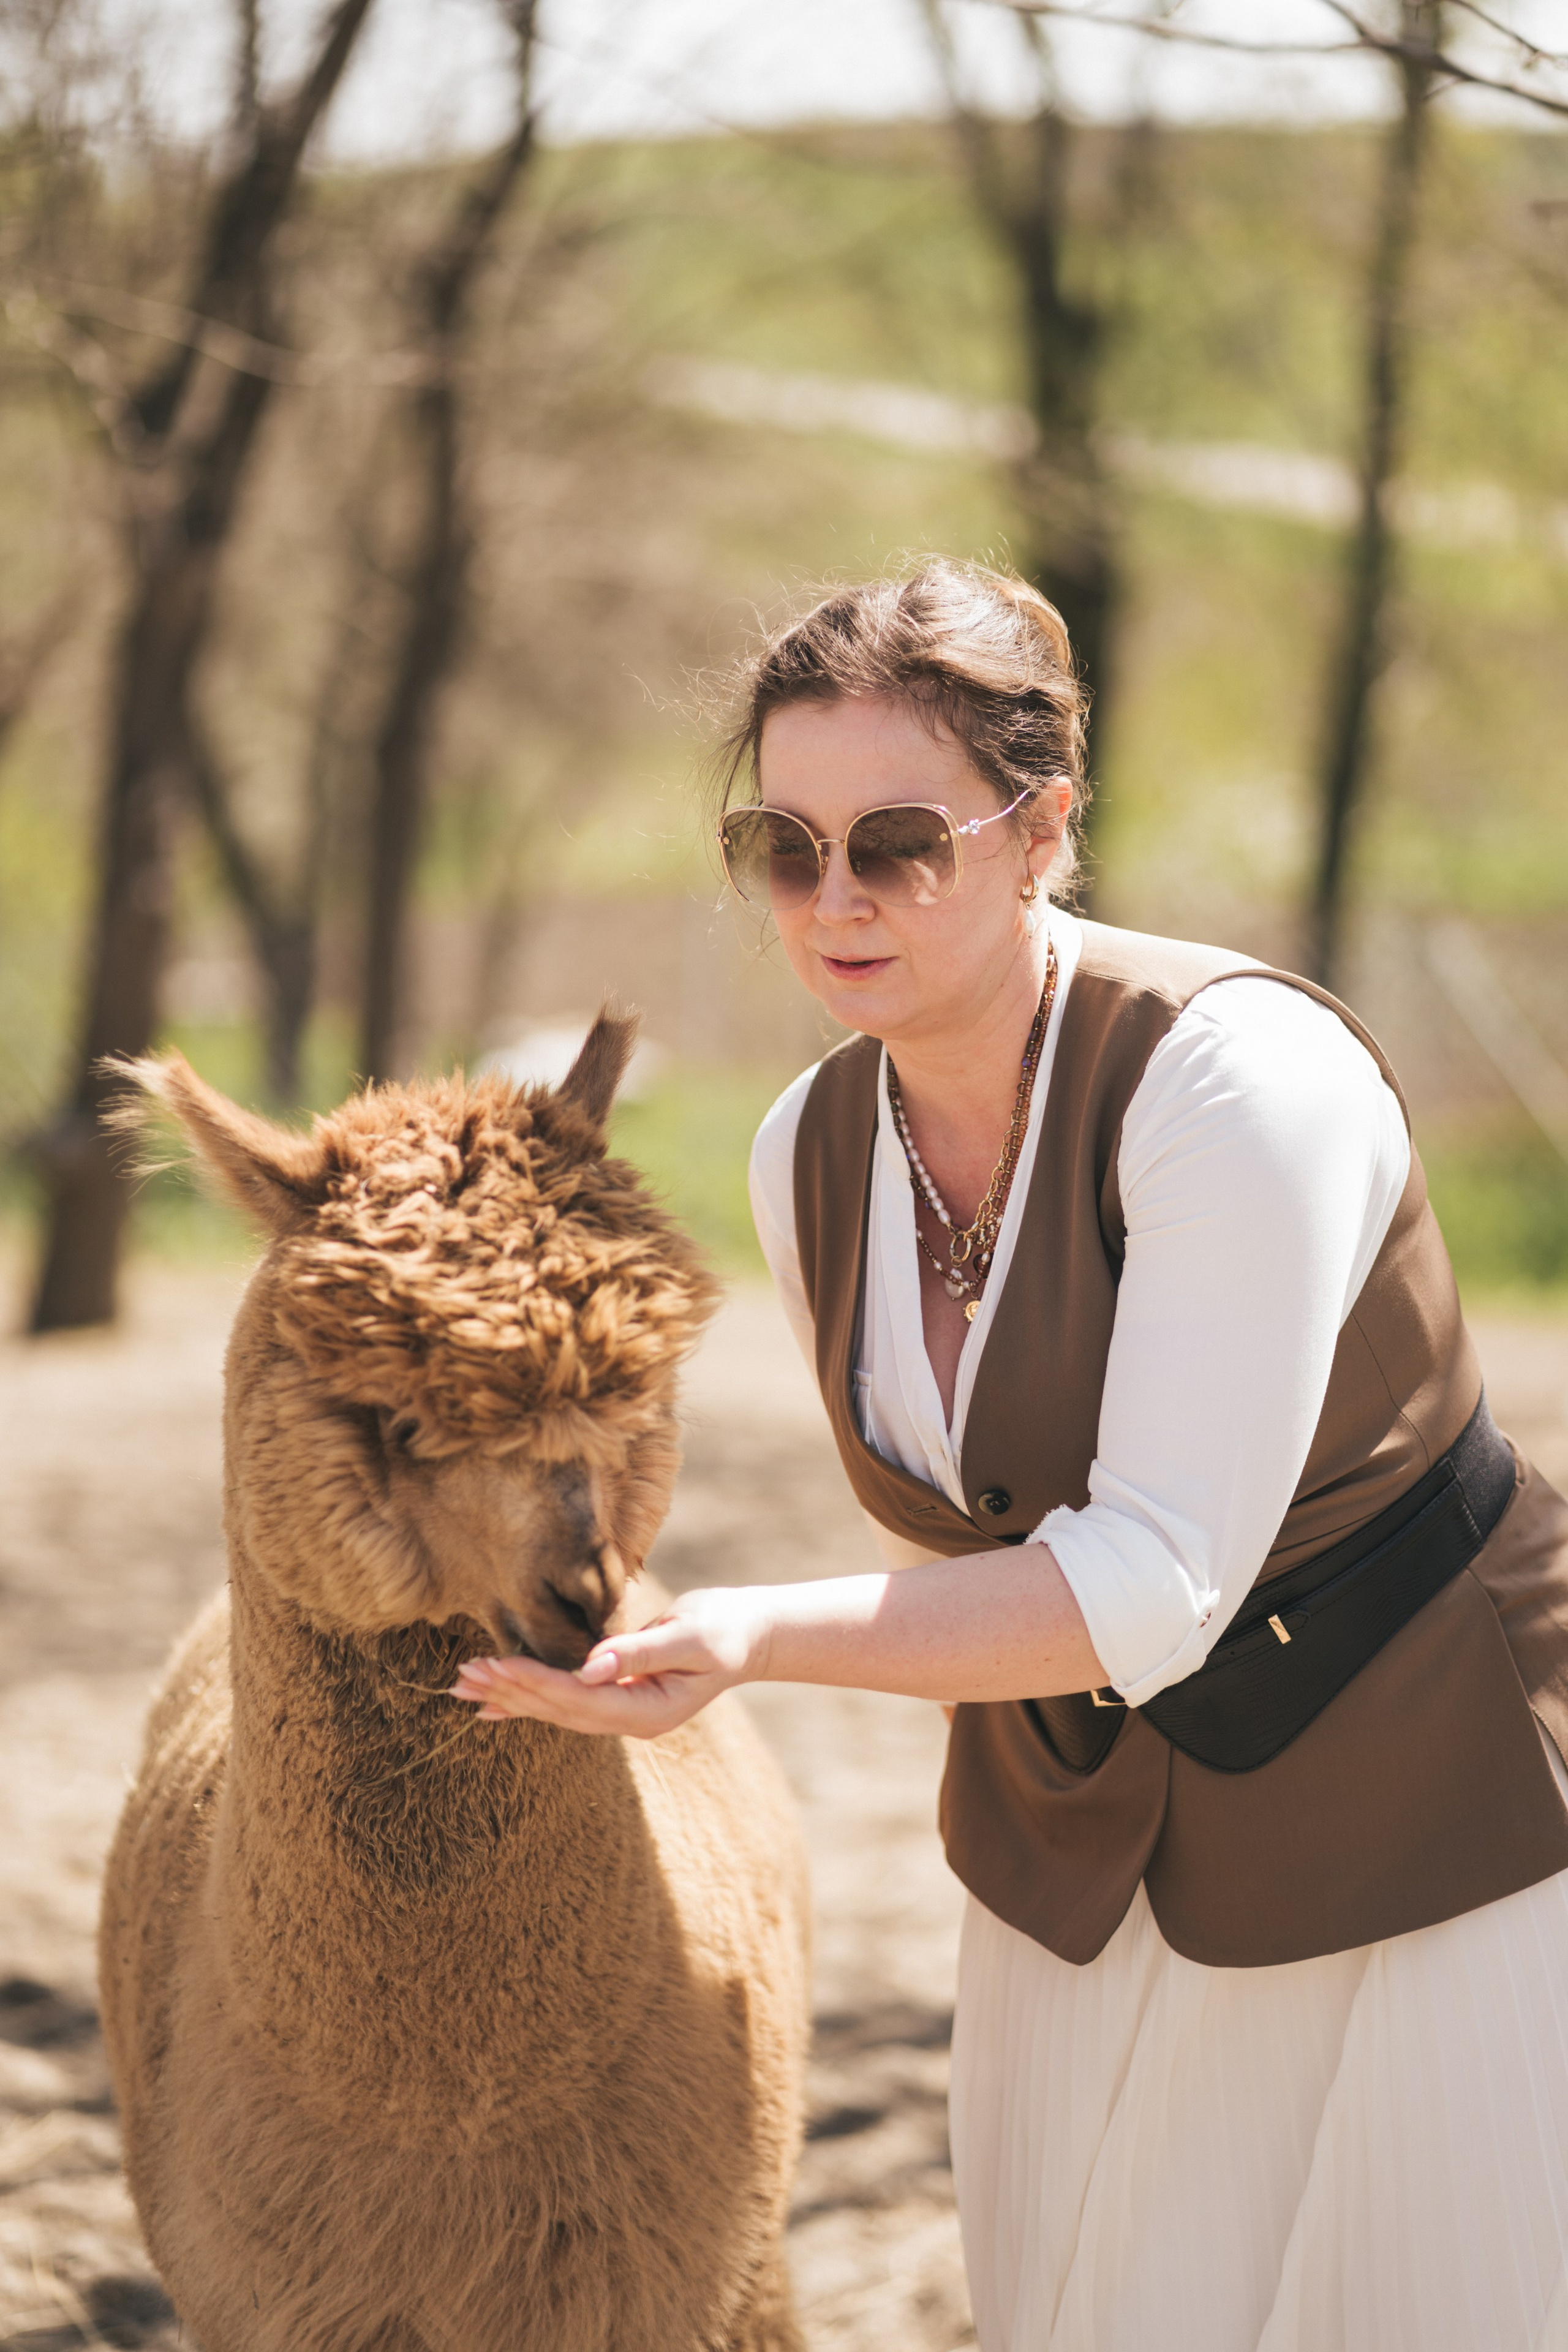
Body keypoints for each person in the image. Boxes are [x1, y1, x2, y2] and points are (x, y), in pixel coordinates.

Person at [450, 560, 1568, 2352]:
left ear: (1041, 828)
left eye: (898, 841)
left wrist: (745, 1635)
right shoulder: (803, 1150)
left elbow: (1157, 1578)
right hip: (1065, 1851)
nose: (833, 900)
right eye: (782, 847)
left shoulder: (1237, 1083)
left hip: (1424, 1829)